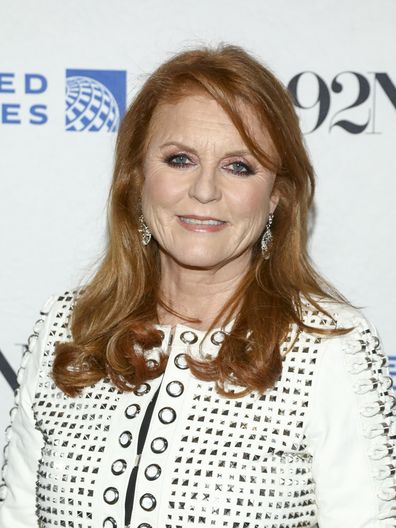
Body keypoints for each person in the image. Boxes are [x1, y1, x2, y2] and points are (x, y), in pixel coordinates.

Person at [0, 43, 395, 528]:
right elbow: (17, 515)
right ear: (136, 177)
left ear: (276, 197)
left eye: (239, 166)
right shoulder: (70, 327)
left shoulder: (328, 346)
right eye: (180, 159)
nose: (205, 190)